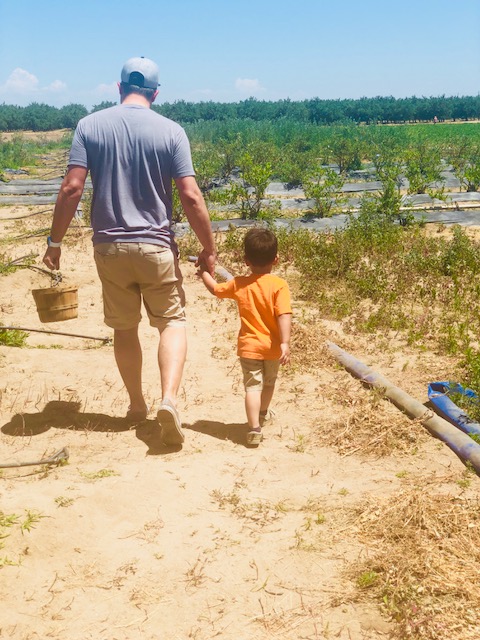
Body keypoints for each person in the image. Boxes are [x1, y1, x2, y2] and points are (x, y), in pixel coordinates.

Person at [42, 56, 216, 446]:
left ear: (119, 87)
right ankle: (168, 400)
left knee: (124, 327)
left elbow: (71, 188)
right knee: (171, 322)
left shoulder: (89, 126)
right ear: (156, 93)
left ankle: (137, 405)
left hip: (109, 247)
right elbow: (190, 195)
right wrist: (209, 248)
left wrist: (55, 244)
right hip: (156, 247)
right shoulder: (172, 132)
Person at [198, 228, 292, 445]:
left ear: (246, 260)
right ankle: (263, 413)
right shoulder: (279, 286)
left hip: (249, 347)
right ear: (276, 259)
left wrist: (204, 271)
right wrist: (285, 343)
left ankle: (254, 428)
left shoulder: (239, 283)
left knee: (252, 387)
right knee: (269, 383)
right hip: (272, 347)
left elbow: (215, 289)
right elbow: (284, 315)